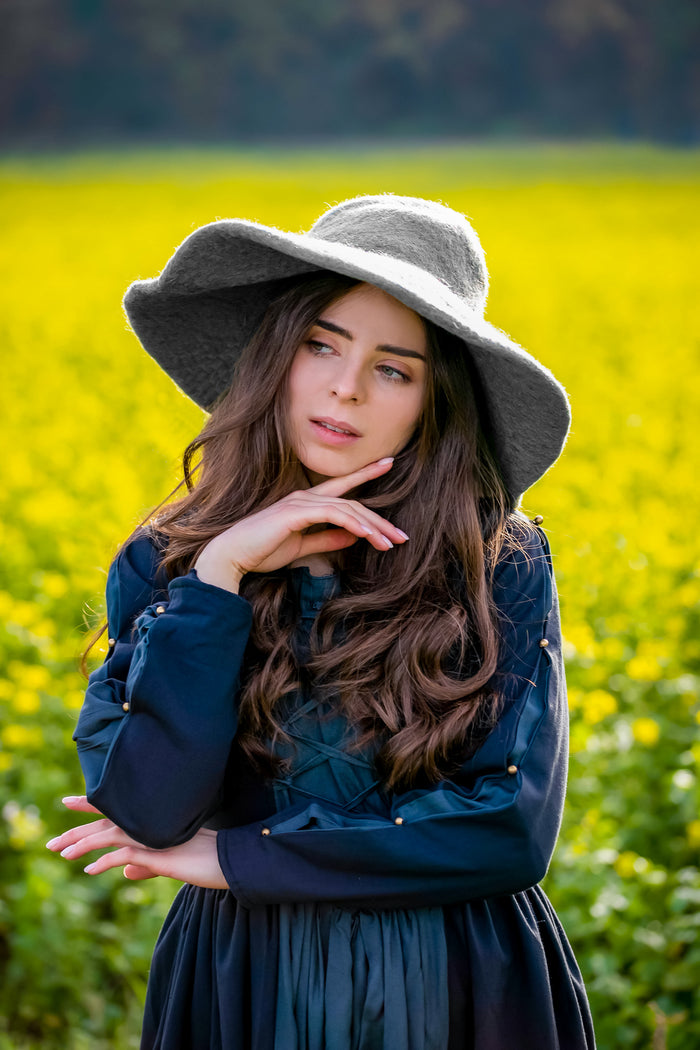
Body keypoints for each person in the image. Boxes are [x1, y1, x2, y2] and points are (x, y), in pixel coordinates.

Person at [48, 194, 596, 1050]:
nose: (345, 386)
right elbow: (149, 808)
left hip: (458, 978)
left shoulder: (499, 563)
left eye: (394, 368)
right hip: (243, 981)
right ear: (277, 355)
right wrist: (220, 577)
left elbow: (509, 831)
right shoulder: (174, 560)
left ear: (434, 401)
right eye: (321, 344)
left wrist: (240, 857)